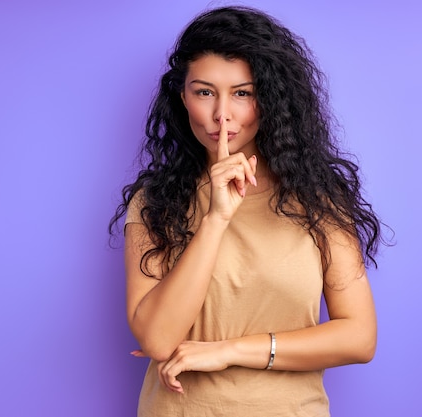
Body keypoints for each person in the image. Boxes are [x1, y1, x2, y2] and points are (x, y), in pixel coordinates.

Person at [109, 5, 386, 416]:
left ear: (270, 99)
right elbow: (157, 340)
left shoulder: (318, 199)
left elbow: (359, 338)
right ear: (182, 97)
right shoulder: (154, 203)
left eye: (243, 93)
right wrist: (216, 217)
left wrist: (230, 351)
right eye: (204, 92)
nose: (222, 114)